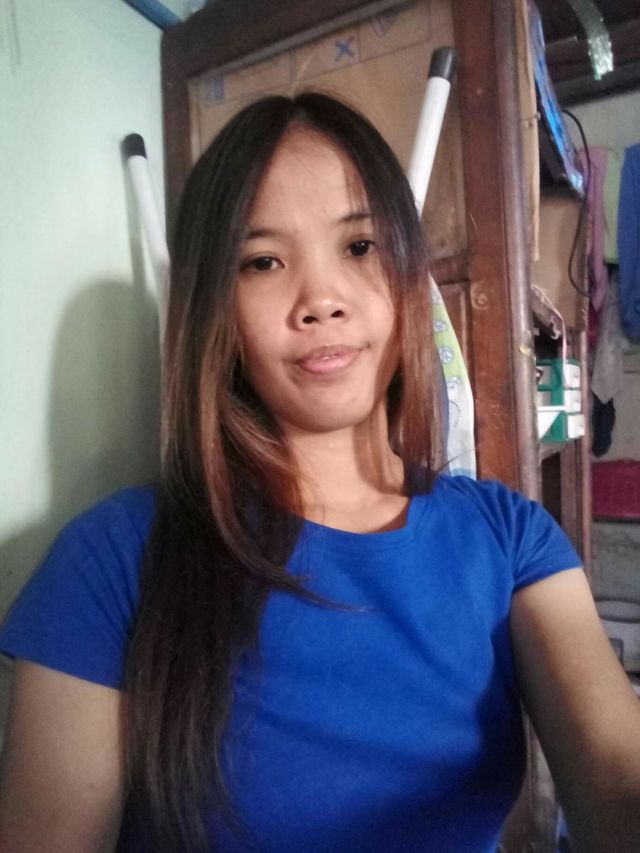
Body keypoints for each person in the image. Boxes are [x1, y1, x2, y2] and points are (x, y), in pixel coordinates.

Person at [0, 92, 639, 853]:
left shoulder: (511, 538)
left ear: (406, 275)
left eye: (359, 246)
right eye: (263, 261)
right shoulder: (111, 561)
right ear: (216, 311)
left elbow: (615, 773)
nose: (322, 300)